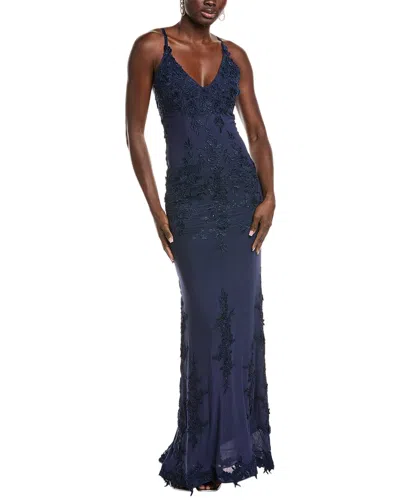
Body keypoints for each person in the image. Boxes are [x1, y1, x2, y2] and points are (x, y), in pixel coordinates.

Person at [125, 0, 275, 493]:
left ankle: (232, 452)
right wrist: (155, 209)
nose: (211, 0)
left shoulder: (236, 56)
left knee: (240, 324)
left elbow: (256, 132)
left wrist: (270, 195)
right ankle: (201, 453)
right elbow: (135, 133)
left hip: (240, 200)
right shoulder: (151, 48)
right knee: (207, 322)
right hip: (188, 205)